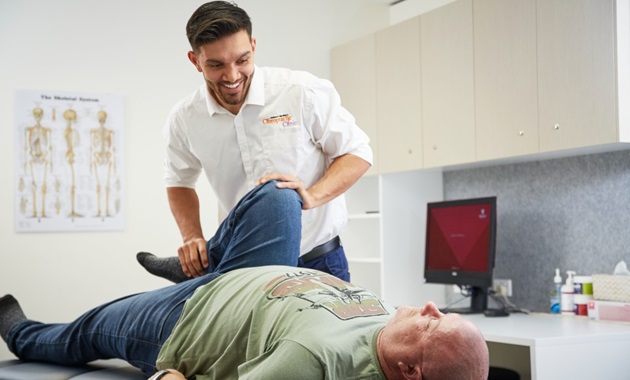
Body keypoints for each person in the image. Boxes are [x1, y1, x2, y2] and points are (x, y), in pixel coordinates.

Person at [0, 182, 489, 380]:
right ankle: (208, 257)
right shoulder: (391, 325)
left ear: (409, 372)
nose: (429, 307)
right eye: (439, 312)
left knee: (84, 332)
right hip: (246, 273)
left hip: (185, 319)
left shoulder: (316, 362)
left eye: (431, 327)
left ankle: (21, 334)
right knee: (280, 195)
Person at [154, 0, 372, 282]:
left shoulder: (300, 91)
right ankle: (211, 263)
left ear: (253, 46)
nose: (232, 76)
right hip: (249, 270)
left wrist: (312, 195)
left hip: (319, 262)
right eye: (216, 65)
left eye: (242, 60)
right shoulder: (185, 118)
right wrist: (192, 236)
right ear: (195, 61)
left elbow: (357, 152)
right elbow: (179, 180)